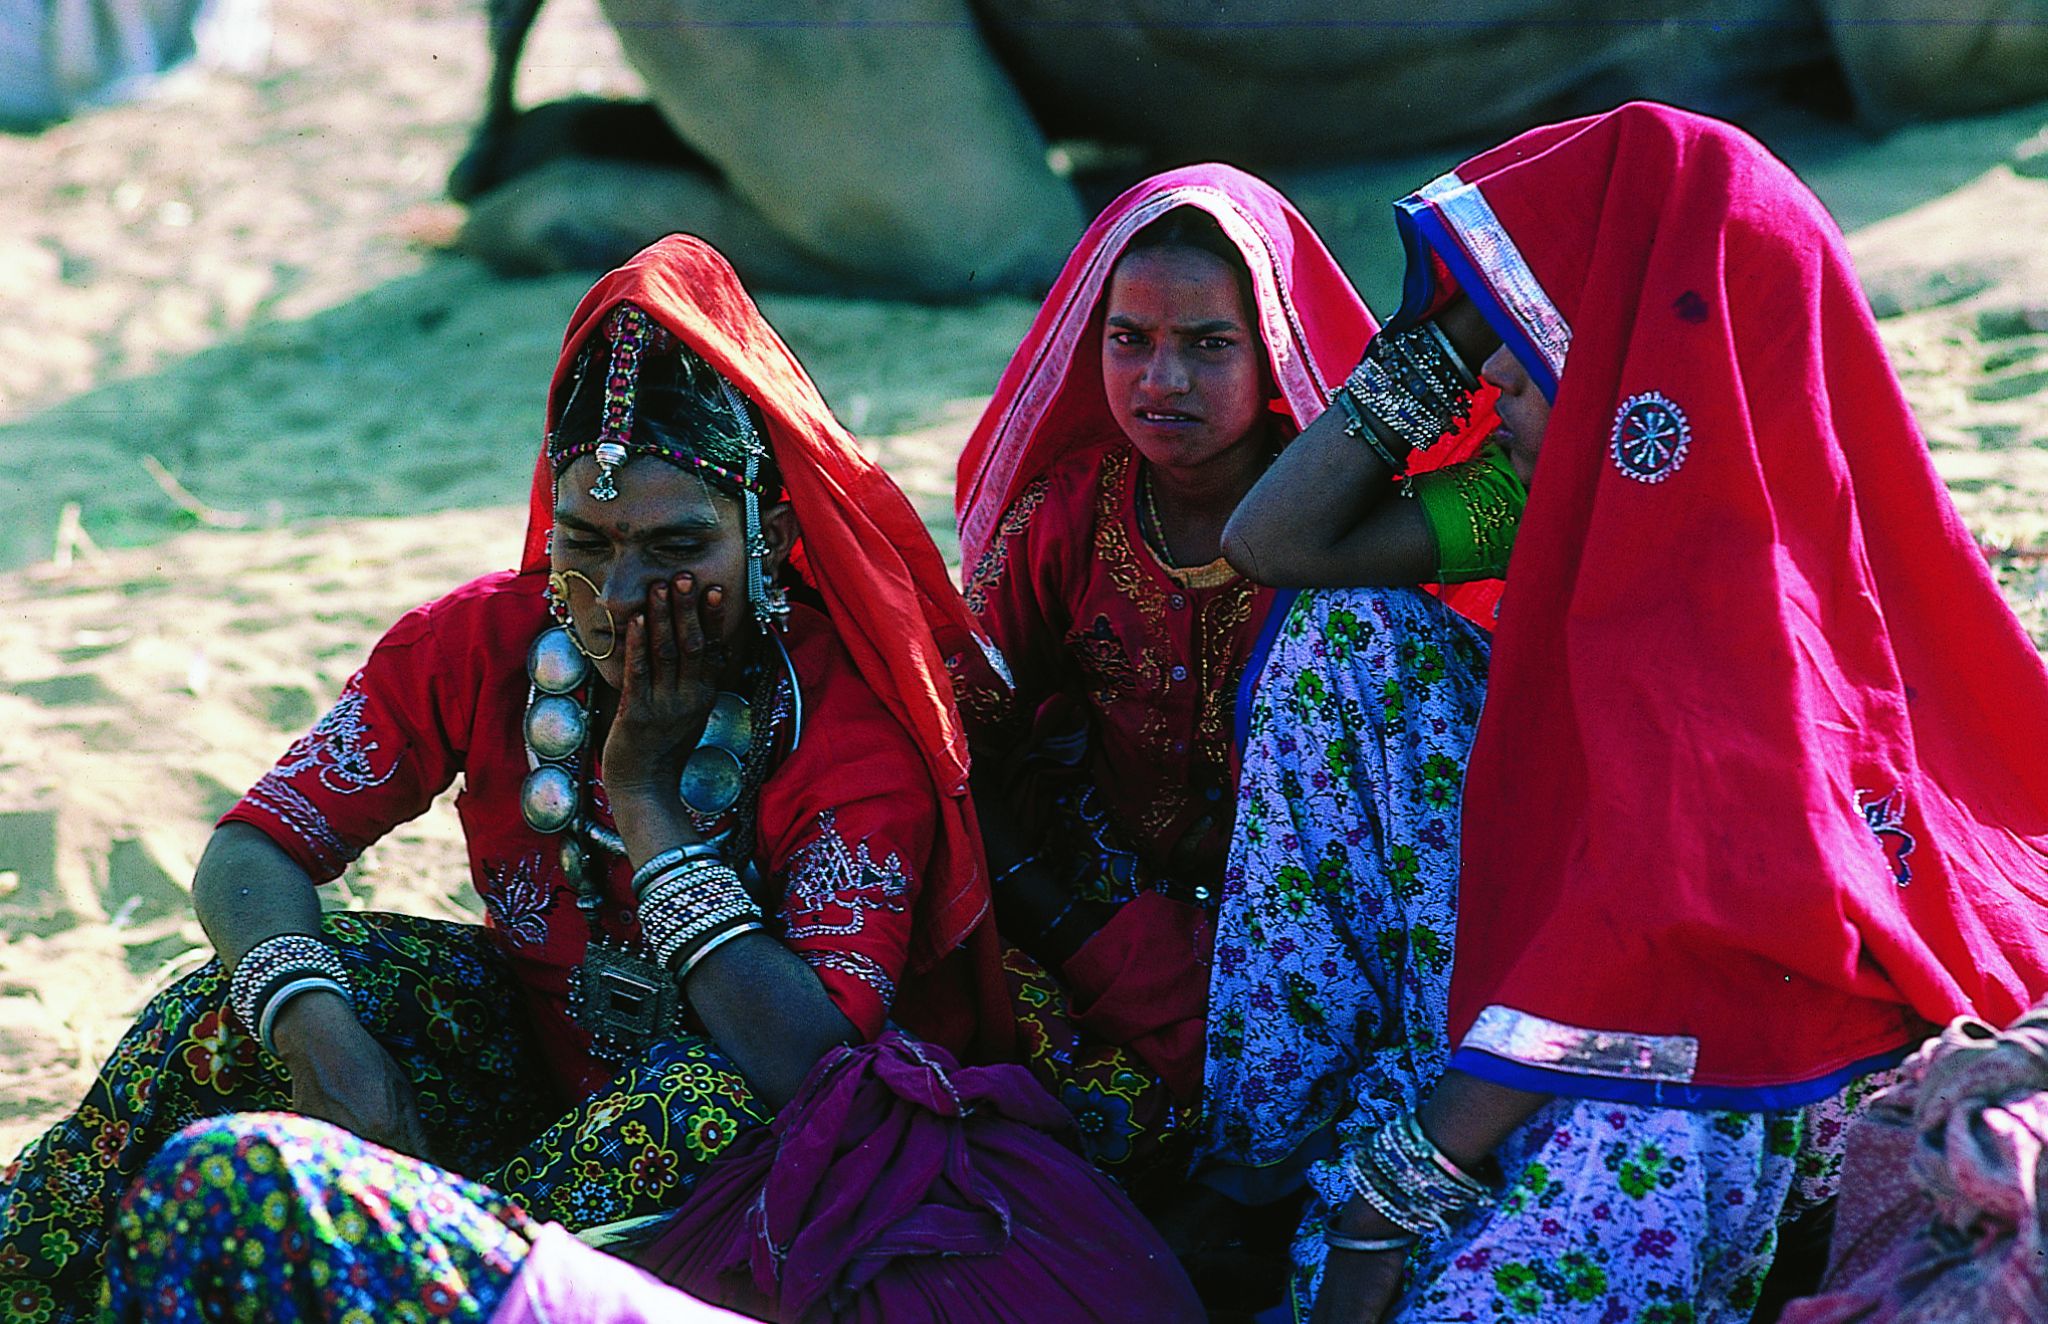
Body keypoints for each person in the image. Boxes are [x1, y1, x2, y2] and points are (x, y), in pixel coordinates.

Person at [0, 233, 1019, 1323]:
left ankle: (438, 1269)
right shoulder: (486, 642)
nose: (622, 592)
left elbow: (808, 1061)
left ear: (764, 538)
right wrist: (323, 1039)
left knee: (701, 1098)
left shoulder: (847, 723)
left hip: (747, 1164)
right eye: (585, 539)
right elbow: (256, 846)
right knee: (230, 1002)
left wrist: (642, 791)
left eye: (676, 551)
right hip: (536, 1066)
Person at [1201, 102, 2048, 1323]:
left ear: (1650, 364)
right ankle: (1262, 1159)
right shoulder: (1540, 484)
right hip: (1557, 952)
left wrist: (1401, 1182)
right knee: (1349, 636)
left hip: (1720, 1038)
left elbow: (1670, 919)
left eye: (1543, 324)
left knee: (1586, 1192)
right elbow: (1270, 541)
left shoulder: (1746, 568)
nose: (1498, 371)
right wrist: (1442, 337)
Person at [952, 165, 1489, 1188]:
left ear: (1274, 351)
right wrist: (1068, 920)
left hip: (1310, 916)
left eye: (1208, 345)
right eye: (1129, 340)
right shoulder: (1069, 514)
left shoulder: (1335, 525)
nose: (1162, 381)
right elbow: (965, 726)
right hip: (1098, 907)